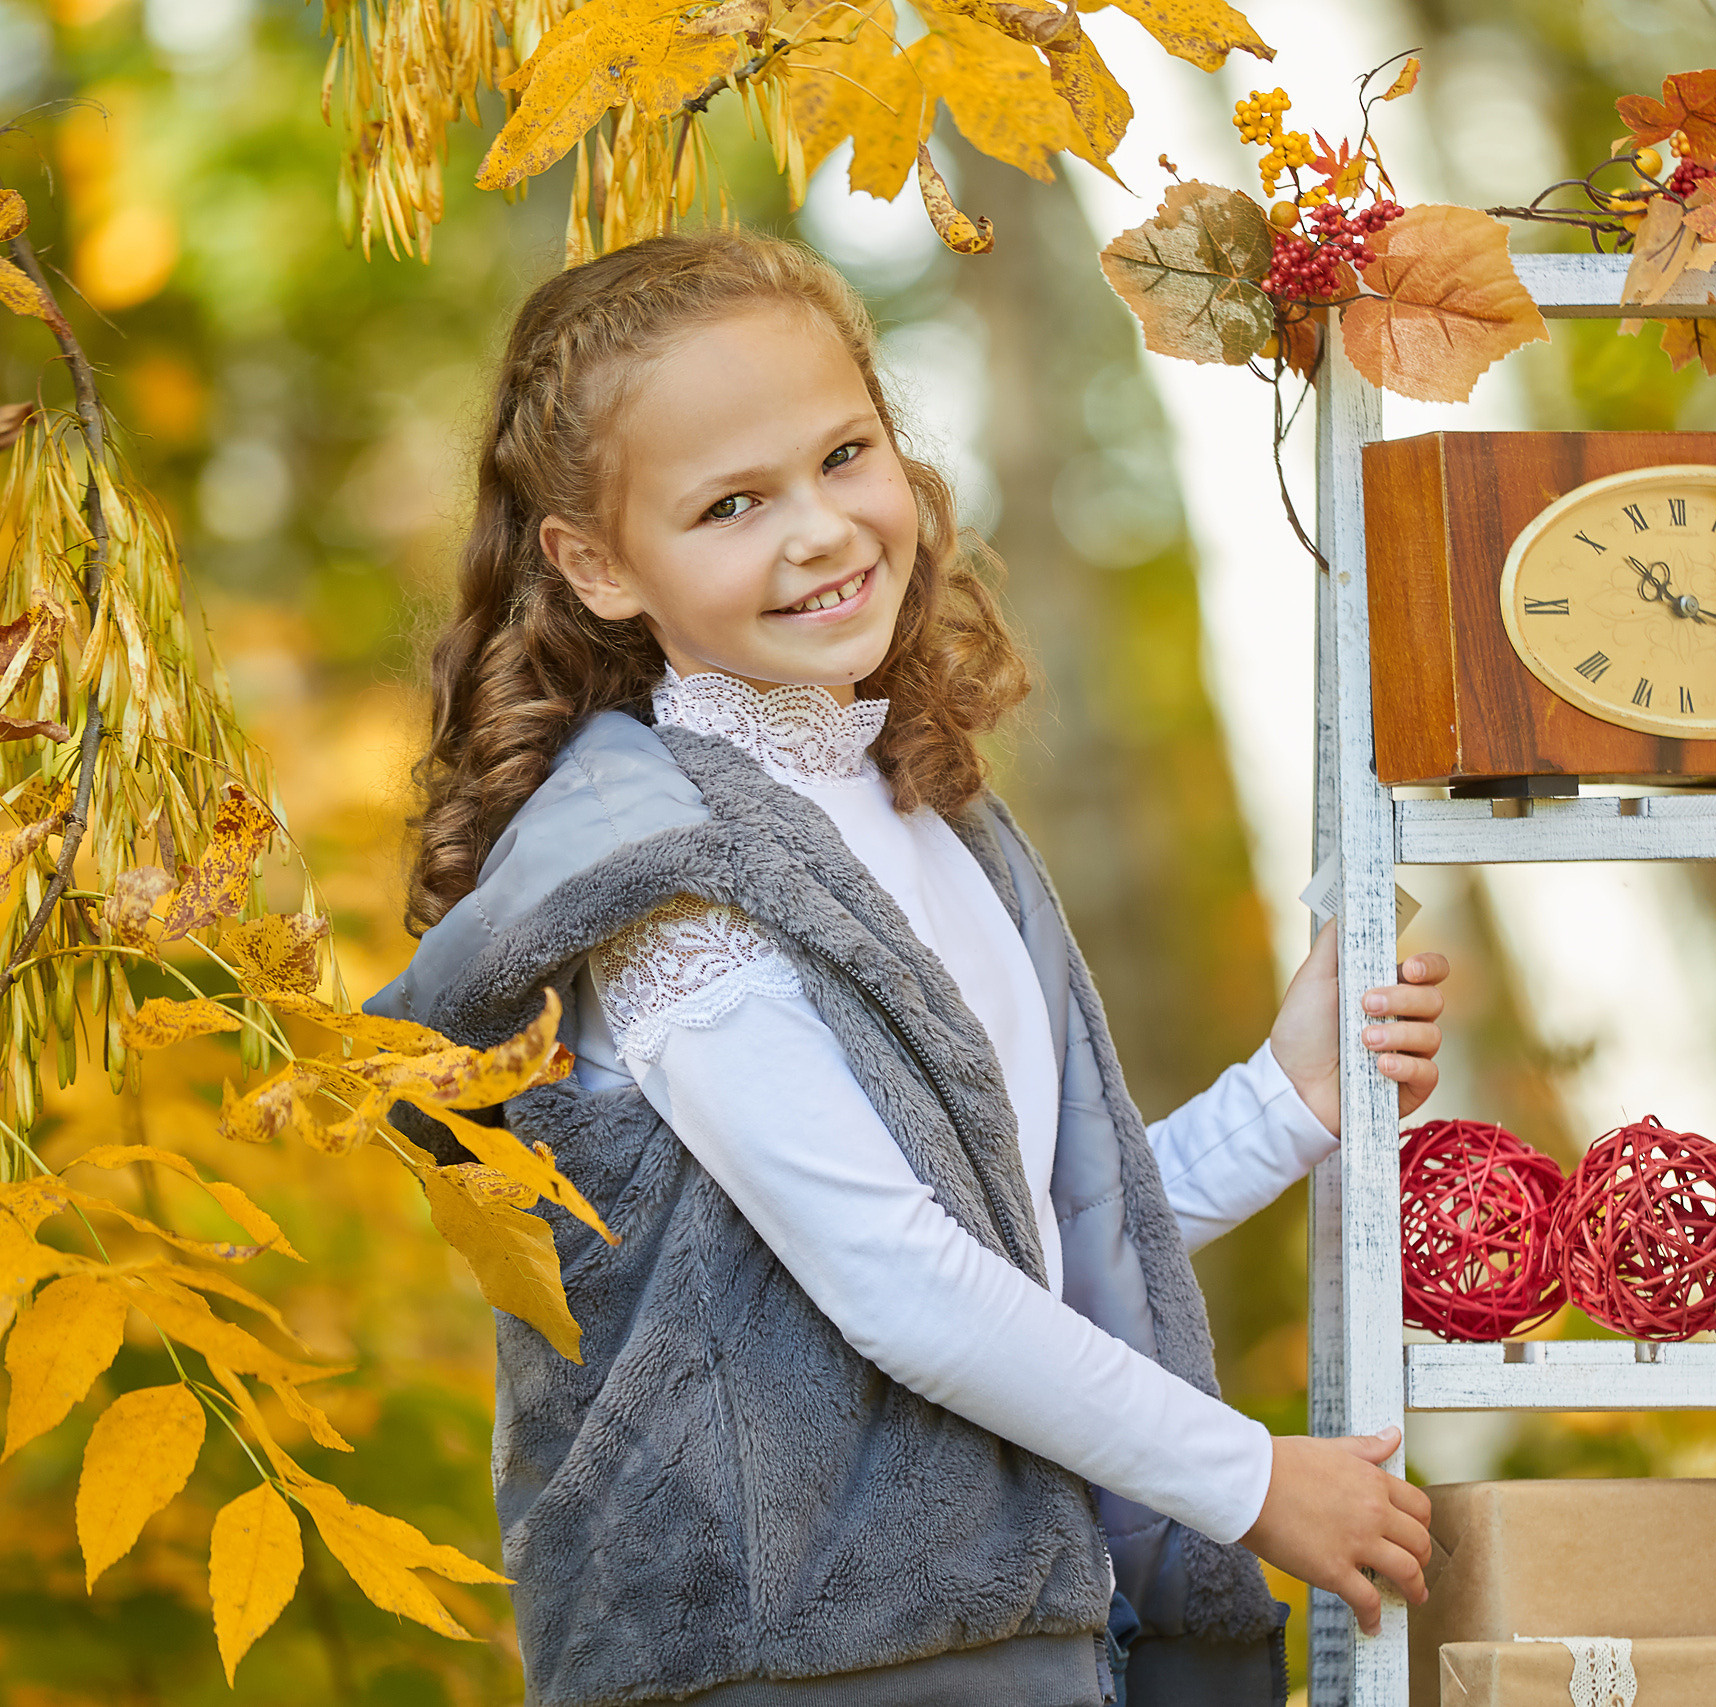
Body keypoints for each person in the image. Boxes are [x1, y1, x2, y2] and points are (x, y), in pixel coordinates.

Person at [368, 230, 1443, 1707]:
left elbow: (1030, 1243)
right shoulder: (665, 879)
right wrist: (1250, 1479)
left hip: (1005, 1638)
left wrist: (1288, 1098)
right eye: (733, 503)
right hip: (790, 1656)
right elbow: (897, 1279)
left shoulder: (938, 824)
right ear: (601, 566)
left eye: (843, 455)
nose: (818, 530)